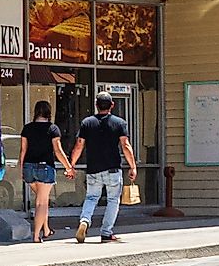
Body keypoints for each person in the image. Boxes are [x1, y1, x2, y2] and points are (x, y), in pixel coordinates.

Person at [68, 91, 138, 242]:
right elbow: (125, 145)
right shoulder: (119, 123)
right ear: (112, 105)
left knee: (91, 197)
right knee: (113, 200)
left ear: (96, 105)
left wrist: (71, 165)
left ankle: (84, 220)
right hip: (113, 168)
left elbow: (79, 145)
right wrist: (132, 166)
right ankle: (106, 232)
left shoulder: (87, 123)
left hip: (93, 168)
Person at [20, 99, 63, 241]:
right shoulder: (53, 128)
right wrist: (68, 166)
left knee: (42, 199)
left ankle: (46, 229)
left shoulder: (27, 128)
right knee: (41, 203)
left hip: (29, 168)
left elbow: (23, 150)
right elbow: (57, 150)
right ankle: (36, 235)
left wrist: (21, 168)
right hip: (45, 168)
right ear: (49, 112)